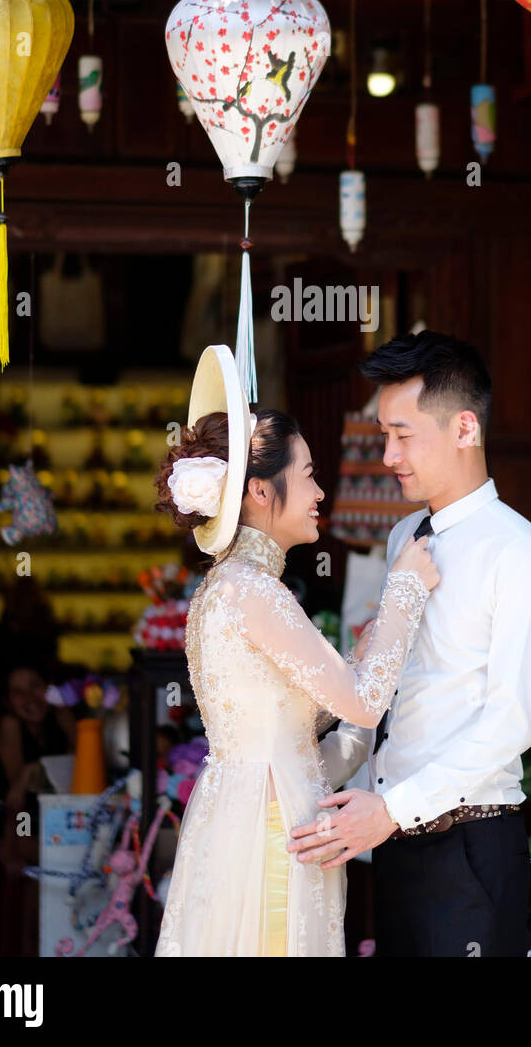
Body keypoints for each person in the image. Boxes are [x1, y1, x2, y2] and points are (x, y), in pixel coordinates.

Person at [153, 344, 439, 957]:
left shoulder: (224, 589)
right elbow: (361, 703)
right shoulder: (255, 591)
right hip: (271, 838)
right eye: (307, 473)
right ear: (260, 489)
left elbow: (304, 738)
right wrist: (405, 591)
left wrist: (367, 654)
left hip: (248, 823)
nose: (319, 490)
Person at [288, 330, 531, 958]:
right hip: (393, 842)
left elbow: (511, 722)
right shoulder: (405, 535)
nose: (388, 456)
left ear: (465, 428)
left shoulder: (518, 553)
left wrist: (392, 809)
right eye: (384, 434)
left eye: (403, 435)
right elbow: (391, 689)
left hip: (468, 845)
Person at [0, 663, 75, 860]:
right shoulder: (10, 726)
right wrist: (13, 851)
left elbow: (82, 761)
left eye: (35, 686)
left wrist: (34, 769)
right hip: (2, 827)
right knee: (59, 852)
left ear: (48, 687)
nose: (30, 697)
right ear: (8, 701)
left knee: (74, 847)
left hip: (38, 820)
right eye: (18, 692)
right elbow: (18, 802)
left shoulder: (59, 717)